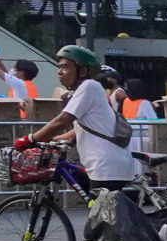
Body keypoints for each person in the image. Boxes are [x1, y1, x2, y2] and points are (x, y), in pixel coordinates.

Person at [17, 47, 138, 190]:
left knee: (99, 205)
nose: (59, 72)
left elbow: (63, 120)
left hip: (106, 168)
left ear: (83, 71)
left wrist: (30, 139)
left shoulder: (88, 86)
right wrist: (51, 139)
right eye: (59, 67)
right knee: (97, 204)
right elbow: (79, 129)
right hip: (107, 166)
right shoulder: (88, 89)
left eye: (65, 67)